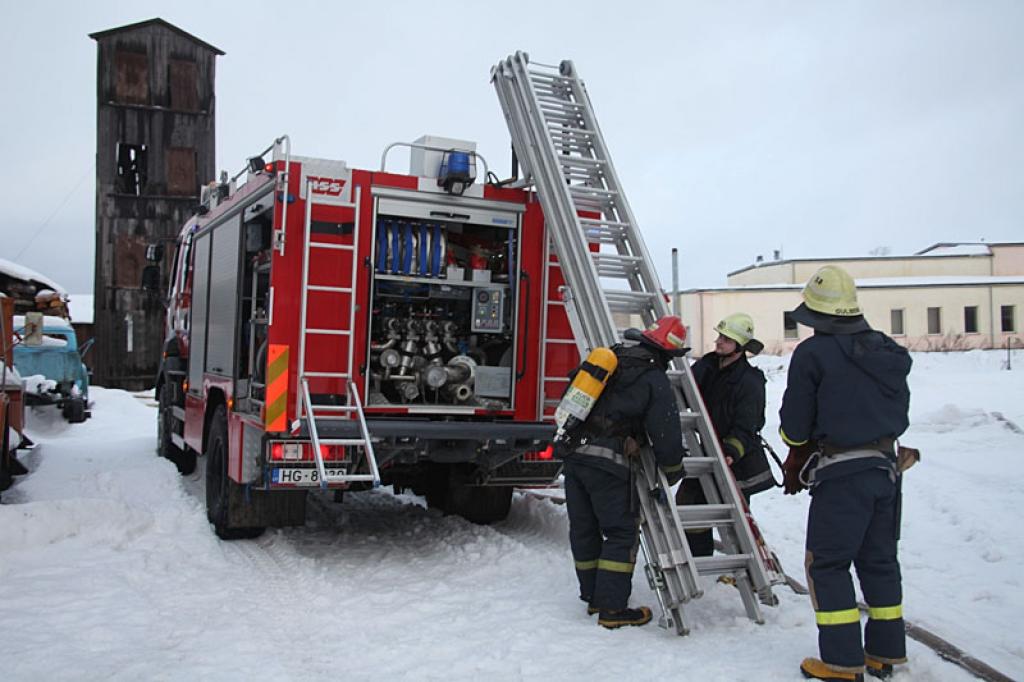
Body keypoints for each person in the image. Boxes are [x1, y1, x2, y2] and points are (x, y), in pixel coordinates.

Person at [778, 265, 911, 681]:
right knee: (879, 561)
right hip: (886, 471)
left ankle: (841, 663)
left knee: (828, 565)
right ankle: (884, 653)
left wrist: (796, 450)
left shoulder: (813, 353)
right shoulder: (886, 350)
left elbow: (794, 428)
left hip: (842, 476)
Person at [561, 315, 686, 629]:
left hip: (574, 455)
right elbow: (666, 431)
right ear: (668, 355)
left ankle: (593, 597)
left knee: (584, 528)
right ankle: (612, 609)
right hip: (608, 463)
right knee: (620, 532)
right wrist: (672, 468)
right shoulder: (654, 378)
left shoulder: (611, 358)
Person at [676, 313, 772, 557]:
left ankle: (743, 566)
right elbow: (685, 392)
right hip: (707, 451)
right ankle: (698, 557)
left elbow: (749, 424)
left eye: (726, 339)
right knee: (689, 504)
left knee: (735, 516)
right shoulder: (707, 366)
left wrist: (731, 451)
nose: (718, 342)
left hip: (736, 460)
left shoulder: (749, 382)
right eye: (719, 336)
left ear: (740, 347)